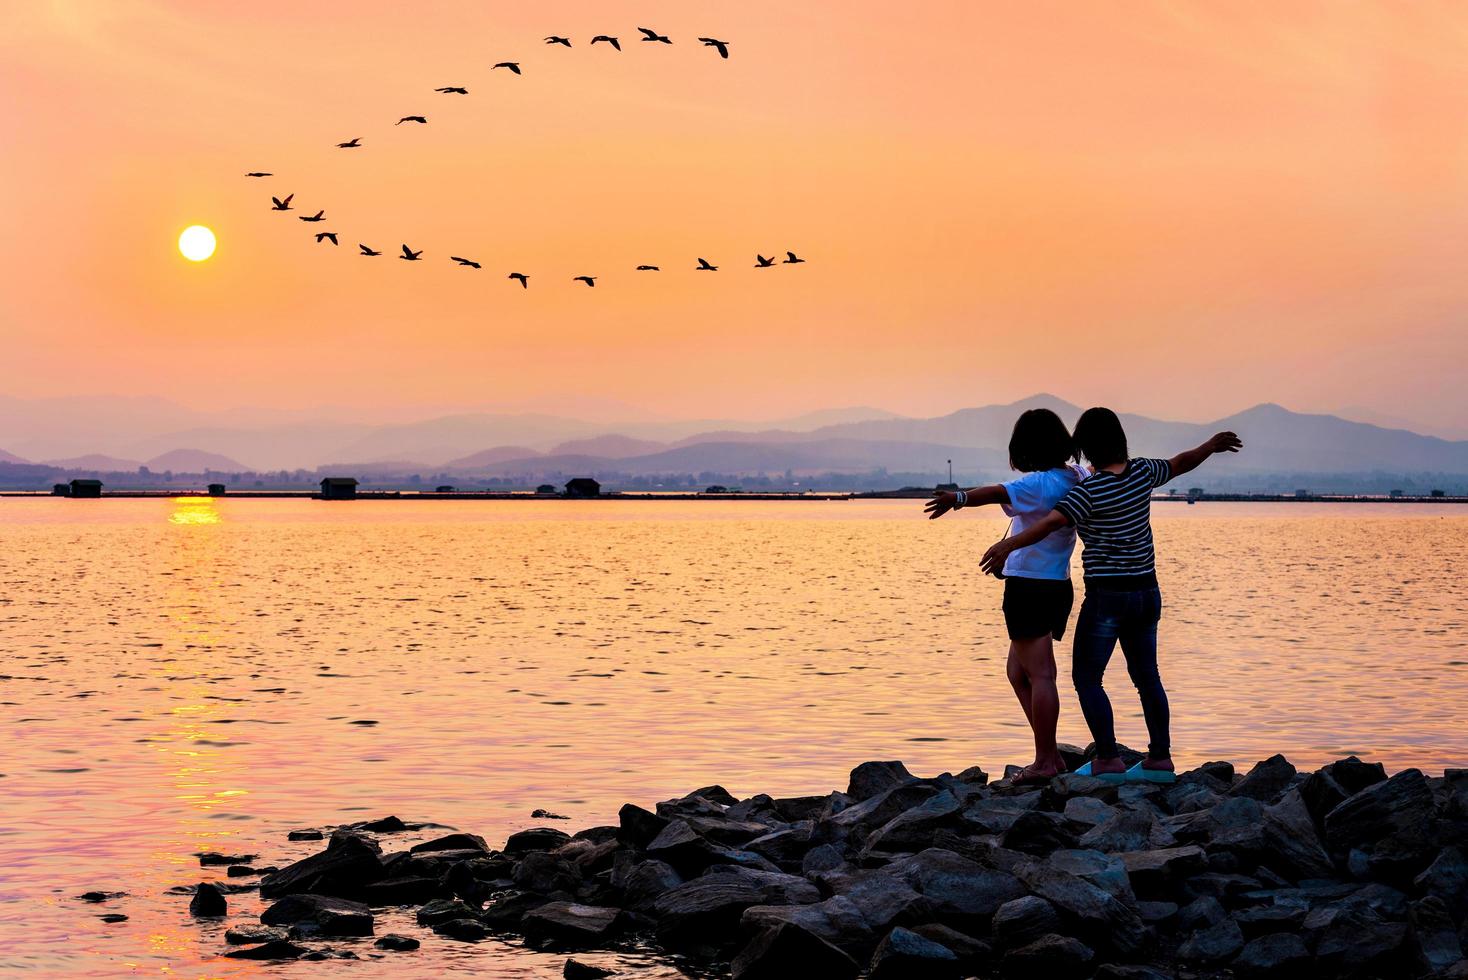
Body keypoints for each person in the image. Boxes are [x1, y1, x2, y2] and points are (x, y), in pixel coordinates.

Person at [980, 407, 1242, 784]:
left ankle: (1107, 759)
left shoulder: (1088, 491)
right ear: (1120, 438)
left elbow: (1050, 524)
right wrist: (1211, 445)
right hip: (1147, 593)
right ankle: (1160, 760)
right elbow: (1182, 462)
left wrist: (1008, 547)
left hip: (1107, 598)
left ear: (1084, 448)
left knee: (1088, 679)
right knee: (1147, 676)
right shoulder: (1145, 471)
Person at [926, 408, 1088, 784]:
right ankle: (1049, 754)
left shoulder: (1042, 484)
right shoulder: (1076, 476)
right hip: (1056, 584)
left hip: (1030, 587)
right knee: (1018, 672)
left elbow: (998, 492)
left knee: (1042, 675)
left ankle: (1047, 761)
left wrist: (959, 497)